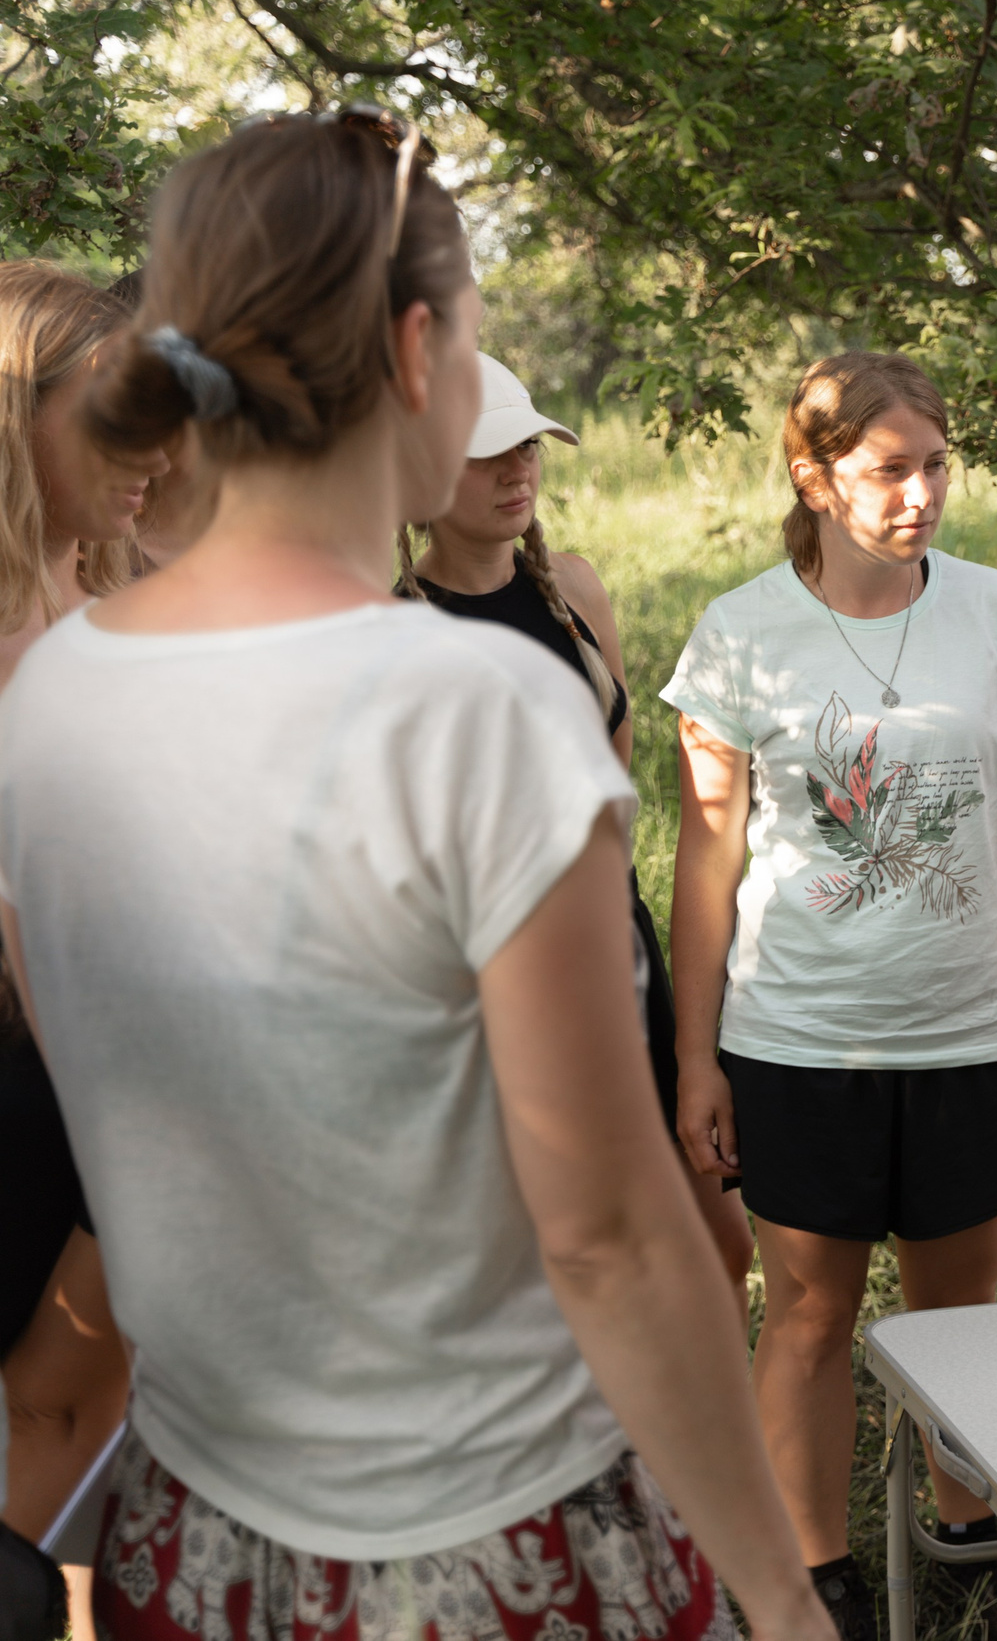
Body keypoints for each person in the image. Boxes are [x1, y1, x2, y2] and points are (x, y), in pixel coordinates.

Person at [0, 112, 831, 1641]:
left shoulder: (48, 691)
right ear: (413, 348)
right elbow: (613, 1232)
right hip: (485, 1546)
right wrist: (782, 1590)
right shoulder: (474, 706)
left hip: (181, 1543)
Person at [662, 351, 997, 1641]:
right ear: (815, 477)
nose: (922, 495)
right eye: (889, 471)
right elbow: (707, 854)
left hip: (964, 1035)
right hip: (795, 1042)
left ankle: (966, 1540)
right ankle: (812, 1581)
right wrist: (696, 1055)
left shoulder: (993, 610)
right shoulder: (740, 633)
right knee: (805, 1318)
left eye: (937, 466)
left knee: (958, 1320)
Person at [401, 352, 756, 1313]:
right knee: (550, 1256)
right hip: (487, 978)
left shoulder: (576, 589)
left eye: (529, 446)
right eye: (488, 455)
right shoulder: (392, 622)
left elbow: (617, 784)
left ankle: (682, 1453)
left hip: (615, 943)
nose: (518, 469)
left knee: (719, 1244)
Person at [0, 259, 166, 1641]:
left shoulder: (123, 606)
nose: (153, 450)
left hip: (129, 1068)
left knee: (87, 1415)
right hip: (39, 1072)